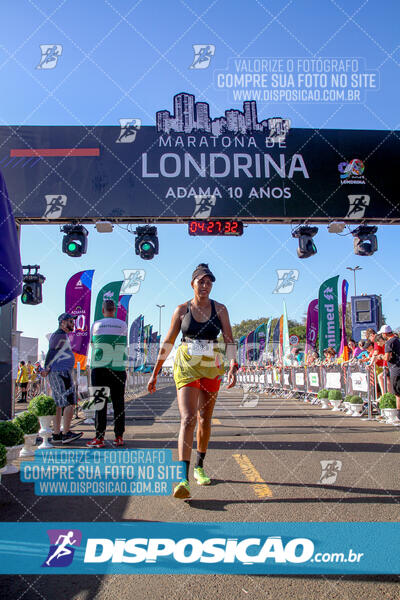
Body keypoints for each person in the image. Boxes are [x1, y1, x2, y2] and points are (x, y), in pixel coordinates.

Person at [147, 263, 238, 500]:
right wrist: (155, 372)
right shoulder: (181, 310)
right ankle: (182, 479)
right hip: (186, 364)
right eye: (201, 281)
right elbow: (168, 342)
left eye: (209, 282)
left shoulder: (221, 309)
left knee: (204, 419)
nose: (206, 285)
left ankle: (199, 466)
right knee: (188, 418)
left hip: (211, 365)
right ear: (193, 284)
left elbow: (229, 339)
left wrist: (232, 367)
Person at [86, 299, 128, 448]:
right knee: (118, 404)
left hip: (99, 367)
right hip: (118, 367)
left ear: (103, 310)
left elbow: (92, 344)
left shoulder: (96, 325)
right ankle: (119, 437)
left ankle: (99, 438)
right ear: (114, 310)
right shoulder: (123, 325)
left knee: (99, 404)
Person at [42, 314, 83, 444]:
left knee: (59, 404)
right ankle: (65, 433)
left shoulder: (61, 335)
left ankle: (57, 434)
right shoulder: (59, 334)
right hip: (60, 373)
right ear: (62, 322)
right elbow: (52, 351)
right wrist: (46, 367)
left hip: (59, 372)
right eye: (71, 321)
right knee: (69, 402)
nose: (73, 324)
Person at [382, 325, 400, 413]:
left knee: (397, 394)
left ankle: (398, 416)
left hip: (396, 370)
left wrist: (380, 356)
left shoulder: (389, 342)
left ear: (385, 334)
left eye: (382, 334)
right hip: (397, 368)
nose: (382, 335)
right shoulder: (397, 340)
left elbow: (387, 358)